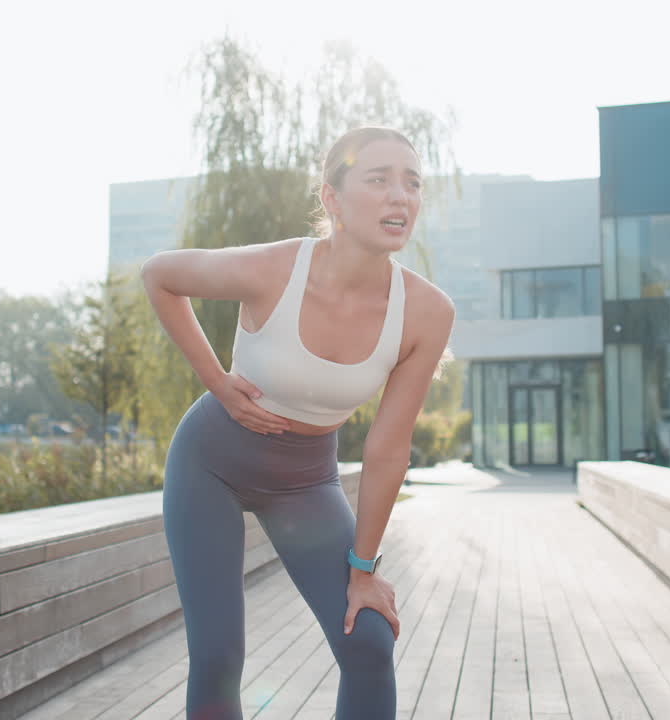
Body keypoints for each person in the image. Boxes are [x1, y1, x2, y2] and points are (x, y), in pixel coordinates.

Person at [140, 126, 455, 719]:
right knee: (217, 655)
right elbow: (160, 275)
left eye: (412, 183)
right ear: (332, 199)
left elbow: (388, 450)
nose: (400, 196)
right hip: (211, 461)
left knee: (368, 641)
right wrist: (216, 381)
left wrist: (365, 571)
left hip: (306, 481)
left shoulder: (427, 312)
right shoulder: (274, 269)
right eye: (379, 179)